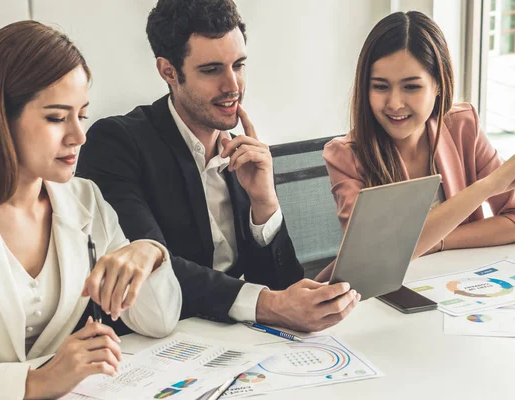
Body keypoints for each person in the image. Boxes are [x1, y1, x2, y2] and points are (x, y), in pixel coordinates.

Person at [0, 21, 182, 399]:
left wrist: (149, 252)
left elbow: (158, 322)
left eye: (82, 115)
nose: (79, 136)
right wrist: (36, 383)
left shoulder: (85, 200)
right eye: (57, 118)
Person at [77, 0, 359, 333]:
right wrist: (269, 304)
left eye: (238, 65)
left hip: (239, 341)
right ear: (168, 71)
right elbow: (155, 268)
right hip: (156, 345)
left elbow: (283, 288)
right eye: (211, 70)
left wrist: (264, 203)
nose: (233, 85)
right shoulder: (118, 143)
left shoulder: (241, 151)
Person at [318, 11, 515, 281]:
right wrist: (486, 187)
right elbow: (379, 255)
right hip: (372, 300)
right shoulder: (345, 155)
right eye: (380, 87)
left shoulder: (463, 126)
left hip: (453, 283)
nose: (394, 103)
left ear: (438, 85)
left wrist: (439, 240)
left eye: (411, 87)